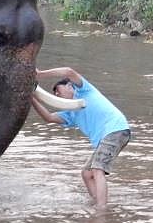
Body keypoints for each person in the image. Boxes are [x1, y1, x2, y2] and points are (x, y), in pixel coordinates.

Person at [29, 66, 131, 210]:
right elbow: (49, 117)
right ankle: (97, 201)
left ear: (70, 86)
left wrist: (40, 74)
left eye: (58, 91)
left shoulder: (84, 91)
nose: (57, 96)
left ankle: (101, 209)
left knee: (97, 170)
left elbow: (68, 72)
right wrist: (31, 97)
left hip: (115, 129)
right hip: (107, 137)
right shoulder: (71, 112)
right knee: (86, 174)